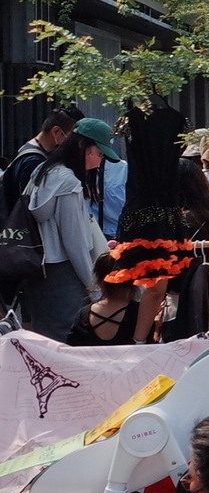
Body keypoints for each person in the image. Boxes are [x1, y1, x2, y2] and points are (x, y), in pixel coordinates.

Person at [26, 117, 116, 336]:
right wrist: (95, 290)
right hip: (65, 275)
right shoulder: (68, 183)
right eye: (100, 154)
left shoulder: (44, 171)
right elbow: (75, 244)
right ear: (82, 147)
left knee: (46, 343)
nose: (99, 162)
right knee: (68, 344)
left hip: (40, 274)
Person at [3, 105, 78, 214]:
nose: (71, 143)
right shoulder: (33, 162)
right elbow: (32, 206)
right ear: (56, 131)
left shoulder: (27, 150)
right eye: (70, 137)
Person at [70, 254, 145, 346]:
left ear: (99, 281)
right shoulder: (140, 314)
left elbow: (71, 350)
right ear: (133, 281)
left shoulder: (84, 314)